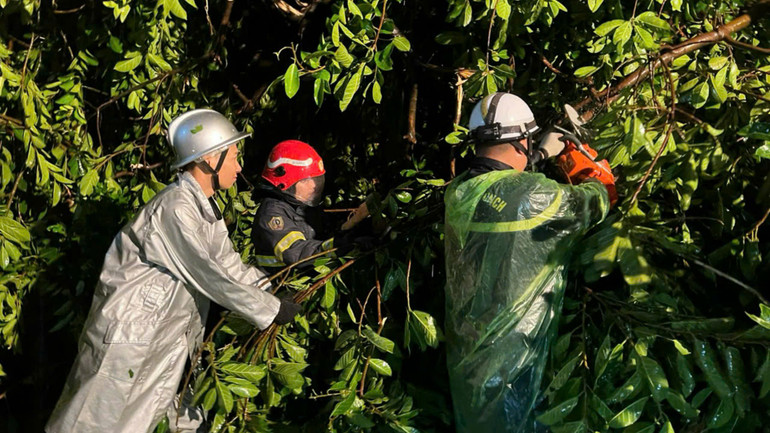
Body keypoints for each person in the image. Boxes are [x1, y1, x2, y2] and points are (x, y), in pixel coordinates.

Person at [46, 109, 302, 433]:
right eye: (234, 156)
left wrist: (271, 288)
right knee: (90, 425)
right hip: (129, 343)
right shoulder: (174, 208)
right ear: (210, 158)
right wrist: (270, 308)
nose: (239, 167)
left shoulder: (204, 210)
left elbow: (229, 265)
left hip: (158, 342)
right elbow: (211, 275)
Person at [443, 93, 615, 433]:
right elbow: (599, 200)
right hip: (516, 363)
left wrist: (537, 155)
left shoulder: (459, 192)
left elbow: (500, 185)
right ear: (523, 138)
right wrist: (591, 172)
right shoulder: (537, 198)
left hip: (469, 360)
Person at [252, 139, 373, 272]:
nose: (314, 186)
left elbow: (322, 239)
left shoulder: (300, 208)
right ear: (285, 183)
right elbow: (298, 253)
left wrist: (354, 225)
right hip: (280, 288)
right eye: (306, 181)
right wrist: (339, 246)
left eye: (316, 180)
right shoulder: (271, 214)